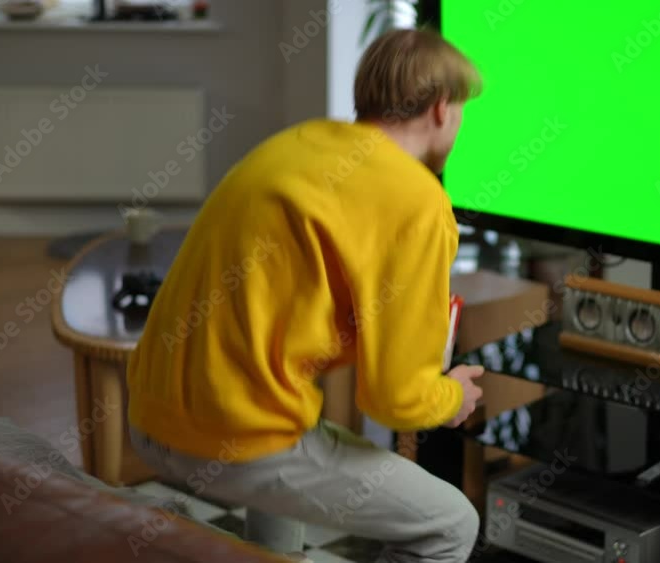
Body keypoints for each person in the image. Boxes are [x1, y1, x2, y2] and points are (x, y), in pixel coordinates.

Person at [126, 28, 486, 563]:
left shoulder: (298, 144)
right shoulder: (418, 201)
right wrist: (452, 396)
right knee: (452, 524)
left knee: (297, 426)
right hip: (234, 440)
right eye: (461, 111)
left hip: (151, 416)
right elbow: (395, 400)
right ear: (440, 109)